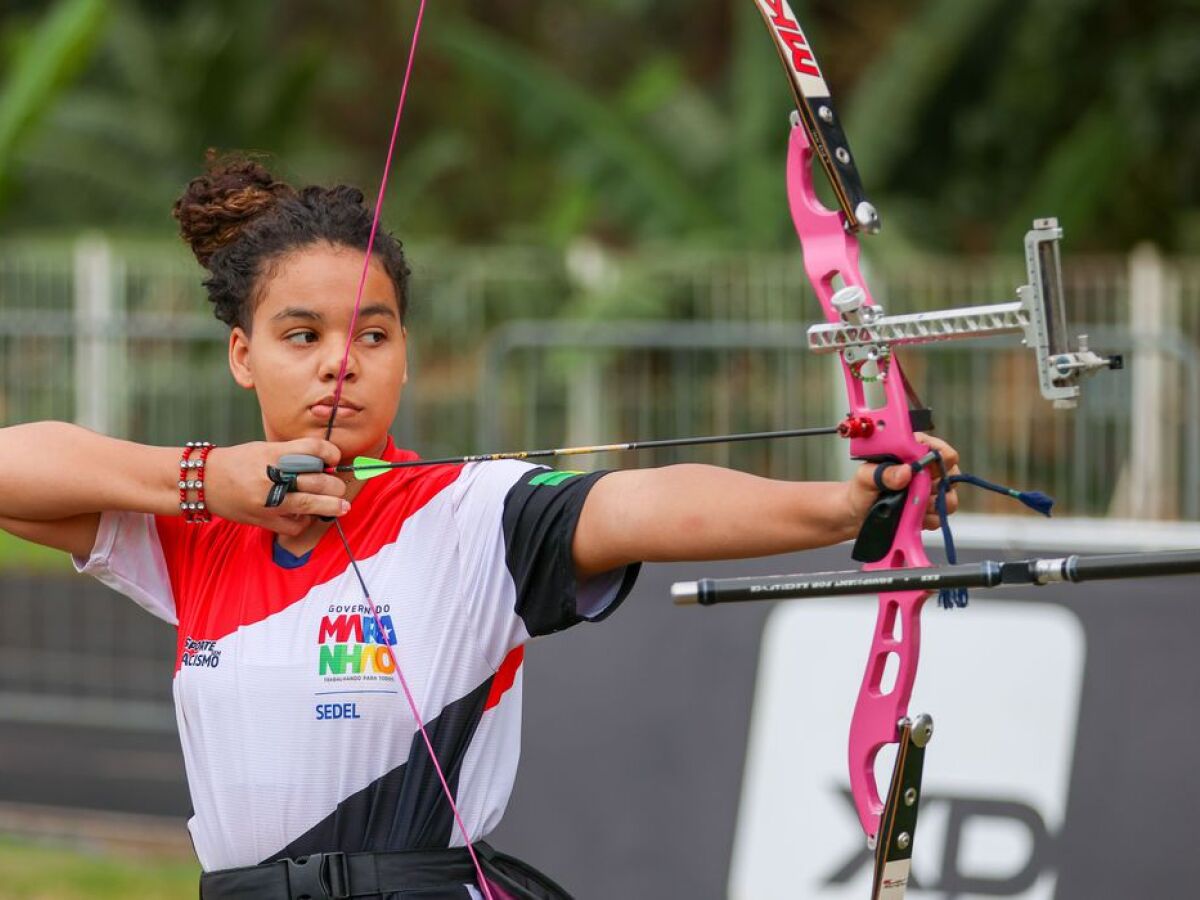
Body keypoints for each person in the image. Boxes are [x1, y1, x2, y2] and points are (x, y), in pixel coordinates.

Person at [0, 155, 959, 900]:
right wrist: (201, 480)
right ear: (242, 356)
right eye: (305, 336)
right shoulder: (197, 530)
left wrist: (839, 504)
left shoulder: (473, 509)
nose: (343, 364)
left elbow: (638, 505)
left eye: (373, 335)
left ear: (406, 357)